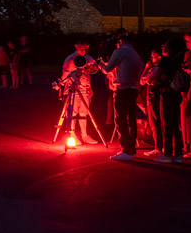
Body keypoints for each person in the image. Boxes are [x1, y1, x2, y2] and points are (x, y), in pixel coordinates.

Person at [100, 30, 144, 161]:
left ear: (120, 41)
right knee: (131, 120)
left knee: (120, 120)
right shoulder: (135, 54)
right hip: (132, 89)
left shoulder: (120, 51)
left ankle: (126, 150)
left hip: (122, 90)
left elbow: (107, 69)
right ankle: (131, 149)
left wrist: (100, 65)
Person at [61, 39, 99, 146]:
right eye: (81, 48)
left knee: (84, 112)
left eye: (85, 49)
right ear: (76, 46)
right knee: (72, 113)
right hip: (74, 89)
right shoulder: (70, 59)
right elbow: (64, 76)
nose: (83, 51)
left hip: (85, 89)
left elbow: (94, 69)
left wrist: (93, 66)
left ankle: (84, 135)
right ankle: (72, 135)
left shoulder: (88, 58)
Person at [140, 49, 164, 158]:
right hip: (150, 97)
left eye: (154, 56)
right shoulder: (152, 68)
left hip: (156, 97)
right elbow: (142, 81)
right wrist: (146, 68)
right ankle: (158, 146)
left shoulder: (160, 68)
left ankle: (159, 147)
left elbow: (150, 80)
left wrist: (149, 78)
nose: (152, 58)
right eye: (151, 56)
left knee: (156, 121)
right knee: (153, 121)